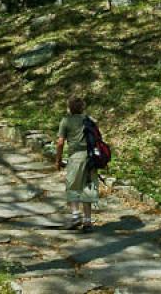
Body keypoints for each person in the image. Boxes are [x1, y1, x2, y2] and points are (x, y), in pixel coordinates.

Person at [55, 96, 99, 231]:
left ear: (69, 108)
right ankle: (87, 222)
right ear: (82, 108)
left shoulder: (66, 121)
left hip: (76, 158)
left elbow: (60, 142)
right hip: (92, 158)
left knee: (73, 186)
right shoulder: (90, 120)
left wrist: (58, 160)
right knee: (88, 188)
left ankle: (75, 216)